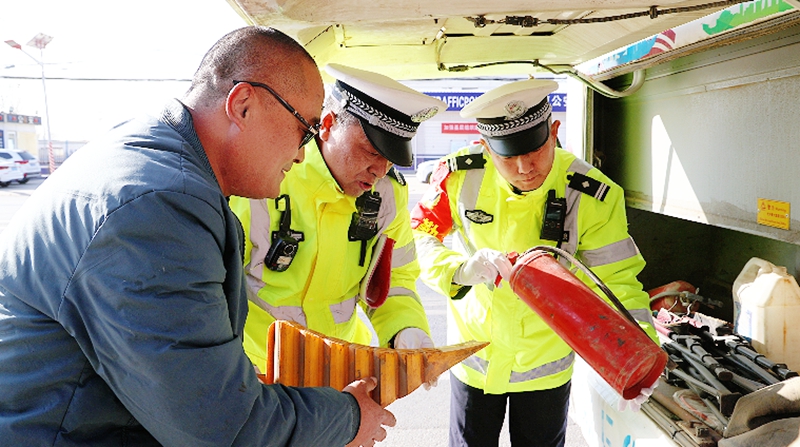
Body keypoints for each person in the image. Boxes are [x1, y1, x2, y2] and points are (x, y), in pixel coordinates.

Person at [0, 26, 394, 447]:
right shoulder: (160, 207)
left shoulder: (153, 165)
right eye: (306, 129)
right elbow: (220, 425)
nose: (302, 153)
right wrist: (349, 418)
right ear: (243, 105)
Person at [409, 79, 660, 447]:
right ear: (484, 146)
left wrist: (638, 351)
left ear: (554, 131)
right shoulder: (457, 177)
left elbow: (617, 281)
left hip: (545, 370)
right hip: (474, 361)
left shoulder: (590, 193)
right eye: (508, 156)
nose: (525, 166)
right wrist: (458, 270)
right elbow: (422, 235)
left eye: (536, 150)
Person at [229, 64, 445, 373]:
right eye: (370, 151)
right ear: (327, 125)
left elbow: (395, 279)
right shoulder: (264, 178)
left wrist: (405, 329)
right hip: (256, 372)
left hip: (340, 369)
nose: (379, 170)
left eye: (390, 159)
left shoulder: (386, 195)